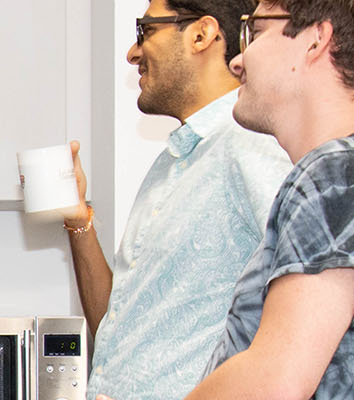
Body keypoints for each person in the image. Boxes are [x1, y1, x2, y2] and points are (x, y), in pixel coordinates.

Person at [180, 0, 354, 397]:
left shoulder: (344, 174)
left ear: (315, 41)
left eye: (254, 33)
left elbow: (272, 382)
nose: (237, 61)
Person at [60, 0, 291, 398]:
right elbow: (114, 336)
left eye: (146, 31)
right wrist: (78, 220)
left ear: (202, 34)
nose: (133, 53)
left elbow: (304, 326)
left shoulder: (253, 148)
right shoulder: (172, 163)